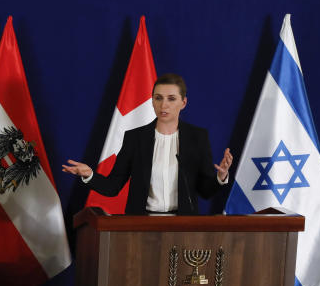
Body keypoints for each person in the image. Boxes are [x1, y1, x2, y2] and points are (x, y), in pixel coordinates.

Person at [62, 73, 233, 215]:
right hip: (141, 226)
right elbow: (112, 187)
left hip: (183, 227)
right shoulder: (135, 138)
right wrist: (90, 175)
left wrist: (221, 176)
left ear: (183, 103)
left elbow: (205, 191)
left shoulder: (197, 137)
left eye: (171, 99)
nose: (163, 105)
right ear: (152, 101)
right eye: (158, 98)